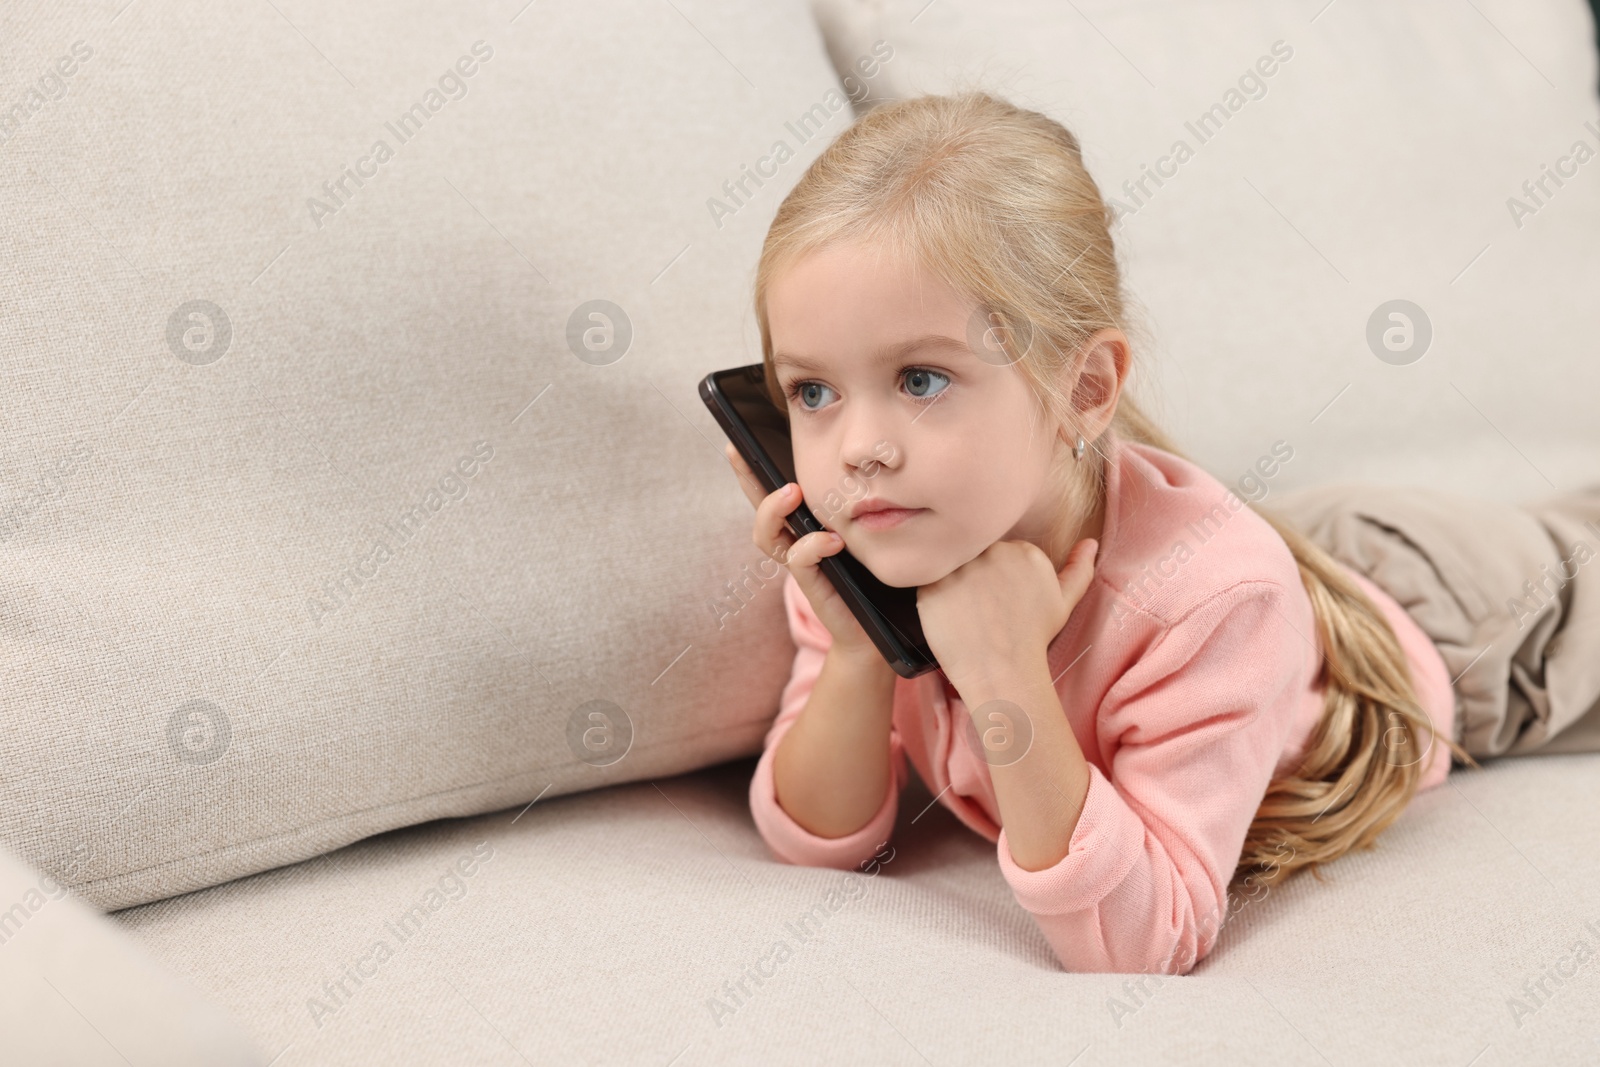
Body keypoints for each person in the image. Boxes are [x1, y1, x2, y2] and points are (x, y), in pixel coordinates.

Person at [722, 90, 1600, 975]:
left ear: (1087, 390)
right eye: (813, 392)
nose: (859, 451)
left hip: (1463, 628)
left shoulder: (1215, 602)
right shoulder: (878, 545)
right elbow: (824, 838)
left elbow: (1146, 940)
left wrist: (1001, 673)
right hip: (1294, 567)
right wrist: (858, 655)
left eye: (919, 379)